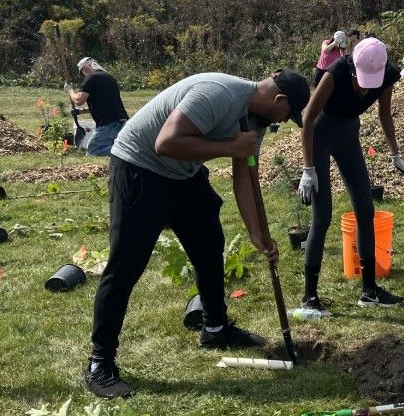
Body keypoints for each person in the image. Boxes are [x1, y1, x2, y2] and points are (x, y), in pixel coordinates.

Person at [85, 69, 310, 399]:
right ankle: (99, 364)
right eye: (287, 115)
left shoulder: (254, 120)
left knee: (209, 243)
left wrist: (257, 234)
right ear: (279, 100)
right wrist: (229, 145)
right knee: (126, 266)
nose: (284, 121)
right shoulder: (217, 94)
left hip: (184, 176)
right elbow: (166, 142)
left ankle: (215, 328)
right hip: (140, 166)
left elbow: (244, 176)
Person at [298, 37, 404, 310]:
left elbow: (385, 114)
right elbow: (307, 118)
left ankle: (369, 291)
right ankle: (310, 298)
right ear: (353, 67)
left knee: (365, 210)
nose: (366, 90)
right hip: (320, 135)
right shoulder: (336, 72)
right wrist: (308, 169)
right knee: (322, 216)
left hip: (348, 137)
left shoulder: (387, 75)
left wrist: (395, 154)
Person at [65, 57, 129, 156]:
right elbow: (104, 104)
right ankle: (125, 149)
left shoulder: (91, 78)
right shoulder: (109, 77)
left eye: (83, 71)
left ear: (85, 69)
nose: (84, 74)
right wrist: (81, 111)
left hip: (108, 124)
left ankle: (129, 150)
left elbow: (78, 100)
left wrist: (70, 90)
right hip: (121, 121)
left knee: (93, 151)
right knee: (110, 146)